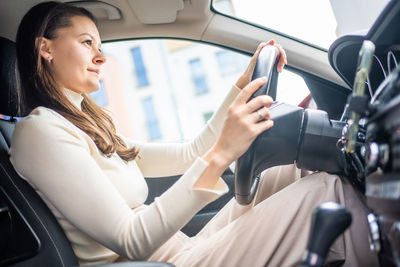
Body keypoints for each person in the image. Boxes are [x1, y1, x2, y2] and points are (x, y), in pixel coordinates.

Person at [9, 1, 368, 267]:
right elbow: (130, 241)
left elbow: (189, 153)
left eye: (100, 46)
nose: (100, 56)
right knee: (328, 193)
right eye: (87, 43)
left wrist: (241, 87)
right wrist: (223, 154)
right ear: (46, 48)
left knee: (289, 169)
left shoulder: (88, 122)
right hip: (161, 264)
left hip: (179, 251)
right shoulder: (39, 132)